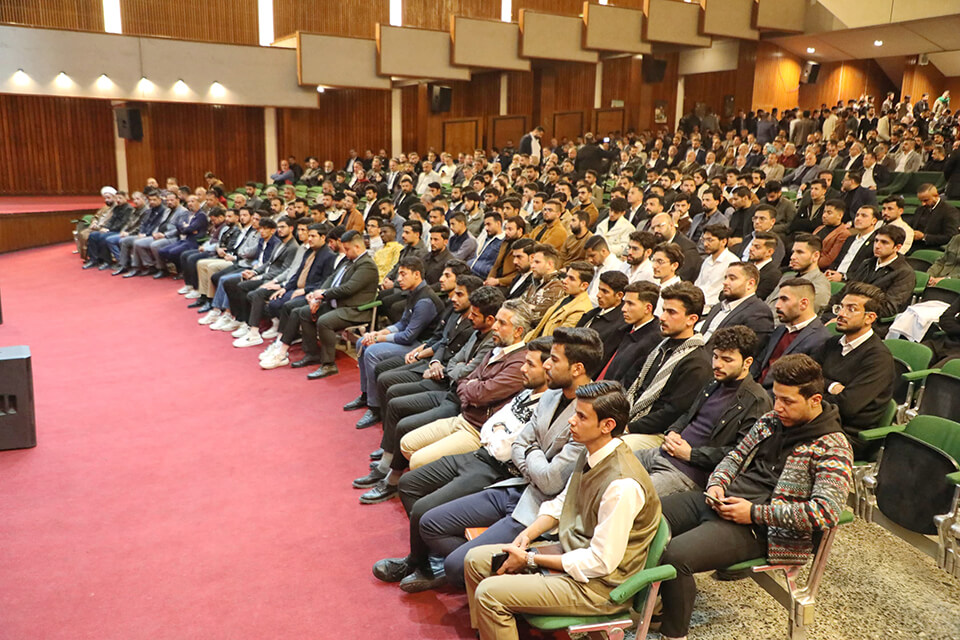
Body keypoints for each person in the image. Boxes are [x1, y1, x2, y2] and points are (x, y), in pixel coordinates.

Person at [656, 354, 853, 640]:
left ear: (815, 400)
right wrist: (717, 483)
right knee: (645, 516)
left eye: (788, 401)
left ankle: (673, 634)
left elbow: (825, 512)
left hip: (764, 529)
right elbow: (734, 456)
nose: (778, 407)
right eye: (777, 397)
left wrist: (753, 513)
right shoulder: (771, 420)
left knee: (676, 556)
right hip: (726, 501)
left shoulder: (833, 447)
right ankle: (649, 602)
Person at [463, 380, 662, 640]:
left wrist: (531, 559)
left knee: (489, 594)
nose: (571, 421)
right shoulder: (592, 451)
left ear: (607, 425)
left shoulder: (622, 484)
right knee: (475, 560)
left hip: (598, 588)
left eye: (581, 416)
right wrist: (527, 536)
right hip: (573, 554)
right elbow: (562, 503)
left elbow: (600, 563)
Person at [415, 327, 604, 590]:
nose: (546, 365)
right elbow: (519, 445)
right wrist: (534, 455)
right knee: (430, 523)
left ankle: (478, 572)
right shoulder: (551, 394)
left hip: (542, 508)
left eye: (554, 359)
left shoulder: (591, 414)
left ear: (577, 369)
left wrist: (529, 451)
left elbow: (550, 482)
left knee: (456, 565)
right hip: (515, 486)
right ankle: (479, 570)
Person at [376, 337, 553, 593]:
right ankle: (430, 556)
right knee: (408, 483)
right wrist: (498, 432)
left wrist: (498, 432)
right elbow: (490, 427)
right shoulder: (527, 391)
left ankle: (423, 564)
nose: (523, 369)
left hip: (498, 472)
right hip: (480, 452)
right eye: (524, 362)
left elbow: (506, 450)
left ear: (548, 369)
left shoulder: (546, 404)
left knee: (424, 509)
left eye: (530, 364)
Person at [637, 326, 772, 497]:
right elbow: (688, 414)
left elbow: (740, 454)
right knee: (610, 462)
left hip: (688, 473)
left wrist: (691, 455)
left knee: (634, 495)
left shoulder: (756, 400)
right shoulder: (714, 382)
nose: (717, 364)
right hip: (663, 452)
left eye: (727, 360)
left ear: (747, 362)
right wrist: (673, 431)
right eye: (715, 356)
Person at [346, 256, 445, 428]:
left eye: (403, 274)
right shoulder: (414, 292)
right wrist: (379, 332)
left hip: (421, 345)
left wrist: (377, 339)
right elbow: (402, 323)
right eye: (399, 274)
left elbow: (408, 336)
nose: (399, 279)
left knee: (371, 352)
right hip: (411, 339)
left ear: (416, 274)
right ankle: (366, 394)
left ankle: (375, 407)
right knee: (362, 342)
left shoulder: (425, 300)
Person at [624, 282, 711, 450]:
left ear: (692, 319)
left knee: (613, 446)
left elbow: (672, 413)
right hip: (632, 418)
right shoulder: (660, 346)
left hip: (658, 434)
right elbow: (632, 382)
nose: (662, 317)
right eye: (663, 310)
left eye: (671, 312)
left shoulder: (697, 362)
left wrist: (627, 427)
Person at [817, 282, 895, 457]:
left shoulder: (878, 358)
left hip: (847, 435)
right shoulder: (832, 343)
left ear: (870, 318)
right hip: (818, 420)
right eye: (841, 307)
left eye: (851, 309)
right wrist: (831, 386)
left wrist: (809, 398)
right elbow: (805, 377)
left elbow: (847, 406)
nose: (841, 314)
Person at [753, 278, 831, 390]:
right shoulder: (780, 329)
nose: (777, 305)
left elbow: (798, 383)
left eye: (784, 299)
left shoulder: (820, 339)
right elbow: (759, 362)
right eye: (778, 299)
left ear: (803, 304)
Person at [827, 225, 915, 320]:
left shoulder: (904, 273)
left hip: (871, 320)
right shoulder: (867, 263)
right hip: (848, 312)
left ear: (897, 247)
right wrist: (824, 308)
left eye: (884, 242)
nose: (877, 246)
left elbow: (889, 308)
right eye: (876, 241)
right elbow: (847, 290)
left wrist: (852, 313)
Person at [698, 262, 774, 347]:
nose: (725, 282)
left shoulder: (759, 312)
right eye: (725, 278)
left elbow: (752, 350)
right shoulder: (718, 307)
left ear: (750, 284)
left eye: (732, 278)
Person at [602, 281, 662, 388]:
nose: (623, 309)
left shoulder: (654, 341)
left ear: (648, 308)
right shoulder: (623, 329)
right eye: (625, 303)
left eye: (630, 304)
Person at [576, 271, 629, 374]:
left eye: (605, 292)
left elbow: (602, 359)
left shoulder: (620, 325)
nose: (598, 295)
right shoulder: (593, 313)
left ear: (619, 295)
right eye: (599, 289)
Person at [525, 261, 595, 340]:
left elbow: (559, 340)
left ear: (584, 286)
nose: (564, 281)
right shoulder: (566, 298)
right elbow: (540, 329)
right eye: (566, 276)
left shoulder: (581, 310)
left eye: (571, 279)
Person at [764, 234, 831, 313]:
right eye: (793, 252)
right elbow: (767, 303)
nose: (792, 257)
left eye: (800, 252)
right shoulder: (787, 277)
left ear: (815, 256)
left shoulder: (819, 285)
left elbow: (801, 316)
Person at [825, 205, 879, 283]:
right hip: (834, 276)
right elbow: (838, 260)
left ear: (873, 221)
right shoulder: (850, 238)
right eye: (857, 215)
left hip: (851, 282)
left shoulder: (876, 242)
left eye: (864, 216)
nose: (858, 218)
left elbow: (868, 270)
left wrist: (844, 276)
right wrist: (830, 271)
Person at [694, 224, 738, 312]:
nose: (705, 244)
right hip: (698, 304)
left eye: (710, 240)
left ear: (723, 242)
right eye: (704, 240)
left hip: (715, 307)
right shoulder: (707, 260)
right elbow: (698, 284)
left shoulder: (732, 262)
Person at [912, 183, 960, 249]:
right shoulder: (920, 209)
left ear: (936, 196)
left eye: (926, 200)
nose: (923, 204)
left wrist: (924, 237)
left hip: (935, 247)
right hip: (915, 244)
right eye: (921, 201)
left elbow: (951, 237)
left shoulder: (950, 211)